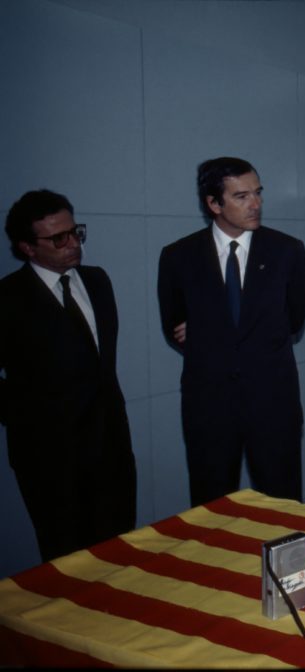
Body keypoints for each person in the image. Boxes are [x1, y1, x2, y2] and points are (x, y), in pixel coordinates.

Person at [158, 157, 305, 507]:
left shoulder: (287, 250)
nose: (255, 204)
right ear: (213, 203)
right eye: (241, 196)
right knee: (212, 509)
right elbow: (175, 327)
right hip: (209, 405)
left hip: (273, 402)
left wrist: (209, 329)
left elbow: (294, 319)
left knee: (282, 505)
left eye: (257, 193)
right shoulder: (178, 256)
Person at [1, 189, 136, 562]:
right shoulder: (8, 298)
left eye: (75, 232)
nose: (72, 243)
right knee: (67, 561)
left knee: (120, 553)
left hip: (111, 446)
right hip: (48, 458)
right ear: (27, 247)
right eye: (58, 238)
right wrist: (27, 415)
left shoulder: (97, 281)